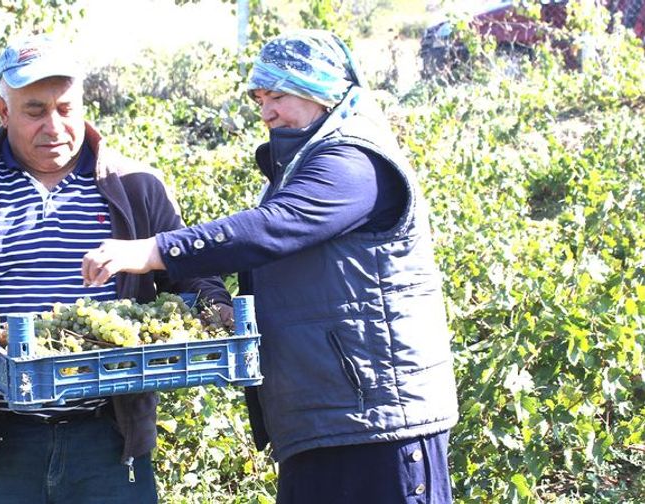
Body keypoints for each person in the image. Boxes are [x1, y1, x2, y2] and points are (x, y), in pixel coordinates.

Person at [82, 30, 459, 503]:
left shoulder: (355, 161)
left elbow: (273, 228)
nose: (266, 112)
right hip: (325, 418)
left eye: (278, 95)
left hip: (377, 423)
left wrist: (155, 250)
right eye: (260, 98)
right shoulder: (304, 162)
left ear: (321, 91)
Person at [0, 34, 230, 503]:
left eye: (66, 108)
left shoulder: (135, 186)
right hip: (0, 447)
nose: (54, 126)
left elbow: (193, 275)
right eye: (35, 111)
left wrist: (210, 307)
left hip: (110, 444)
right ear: (3, 111)